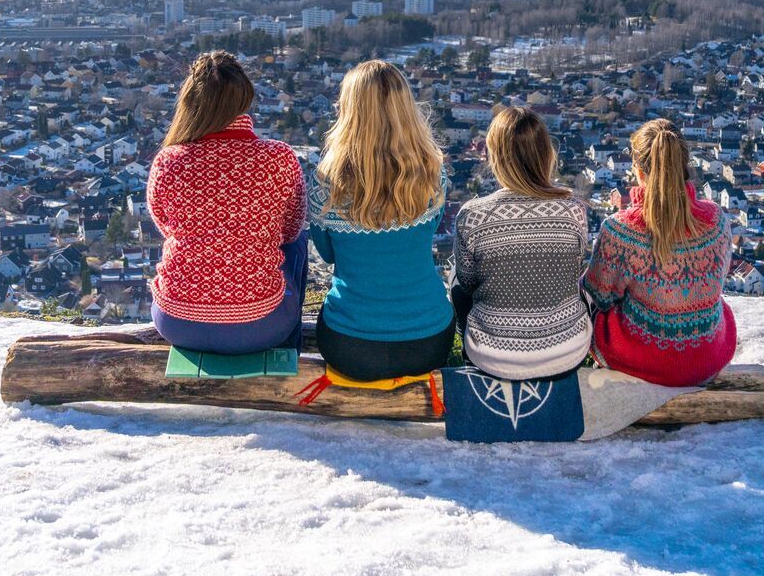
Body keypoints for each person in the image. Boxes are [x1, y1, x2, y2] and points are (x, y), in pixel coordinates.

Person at [147, 50, 308, 355]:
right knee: (297, 240)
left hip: (177, 322)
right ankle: (290, 347)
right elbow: (289, 230)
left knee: (181, 238)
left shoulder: (169, 161)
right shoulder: (278, 158)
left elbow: (165, 225)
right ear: (244, 98)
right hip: (262, 325)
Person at [309, 60, 455, 380]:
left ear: (349, 111)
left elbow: (329, 255)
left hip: (349, 344)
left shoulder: (325, 185)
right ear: (407, 109)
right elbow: (429, 232)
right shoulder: (433, 176)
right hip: (428, 340)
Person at [583, 118, 736, 386]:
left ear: (639, 173)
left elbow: (599, 295)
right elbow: (718, 280)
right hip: (706, 357)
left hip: (639, 361)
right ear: (684, 167)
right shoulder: (715, 220)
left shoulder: (620, 231)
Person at [451, 107, 592, 379]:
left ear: (496, 157)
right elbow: (572, 272)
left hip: (492, 357)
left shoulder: (472, 215)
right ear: (545, 154)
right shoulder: (573, 209)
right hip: (567, 352)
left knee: (456, 279)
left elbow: (467, 284)